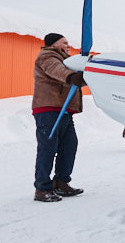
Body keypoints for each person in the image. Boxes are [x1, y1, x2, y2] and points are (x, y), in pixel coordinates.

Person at [31, 33, 87, 203]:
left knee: (69, 145)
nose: (68, 45)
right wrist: (72, 77)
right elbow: (57, 70)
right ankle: (42, 188)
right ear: (54, 44)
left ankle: (61, 182)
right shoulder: (48, 56)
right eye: (65, 42)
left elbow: (71, 75)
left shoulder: (67, 61)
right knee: (48, 147)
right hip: (48, 109)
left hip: (63, 110)